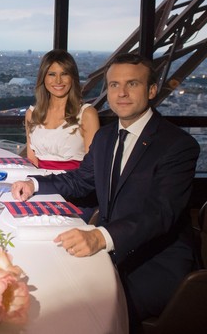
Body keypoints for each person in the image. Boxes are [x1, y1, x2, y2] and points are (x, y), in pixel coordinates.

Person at [11, 53, 200, 329]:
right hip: (111, 249)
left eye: (132, 84)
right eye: (113, 85)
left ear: (151, 90)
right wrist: (36, 184)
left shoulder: (177, 145)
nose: (121, 93)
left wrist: (101, 237)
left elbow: (160, 213)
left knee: (73, 309)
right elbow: (81, 180)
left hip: (154, 262)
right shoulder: (107, 136)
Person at [24, 49, 100, 222]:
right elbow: (32, 160)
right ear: (43, 78)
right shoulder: (32, 114)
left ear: (72, 77)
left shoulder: (87, 114)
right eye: (52, 74)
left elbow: (91, 169)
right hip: (40, 189)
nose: (58, 81)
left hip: (75, 193)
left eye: (64, 74)